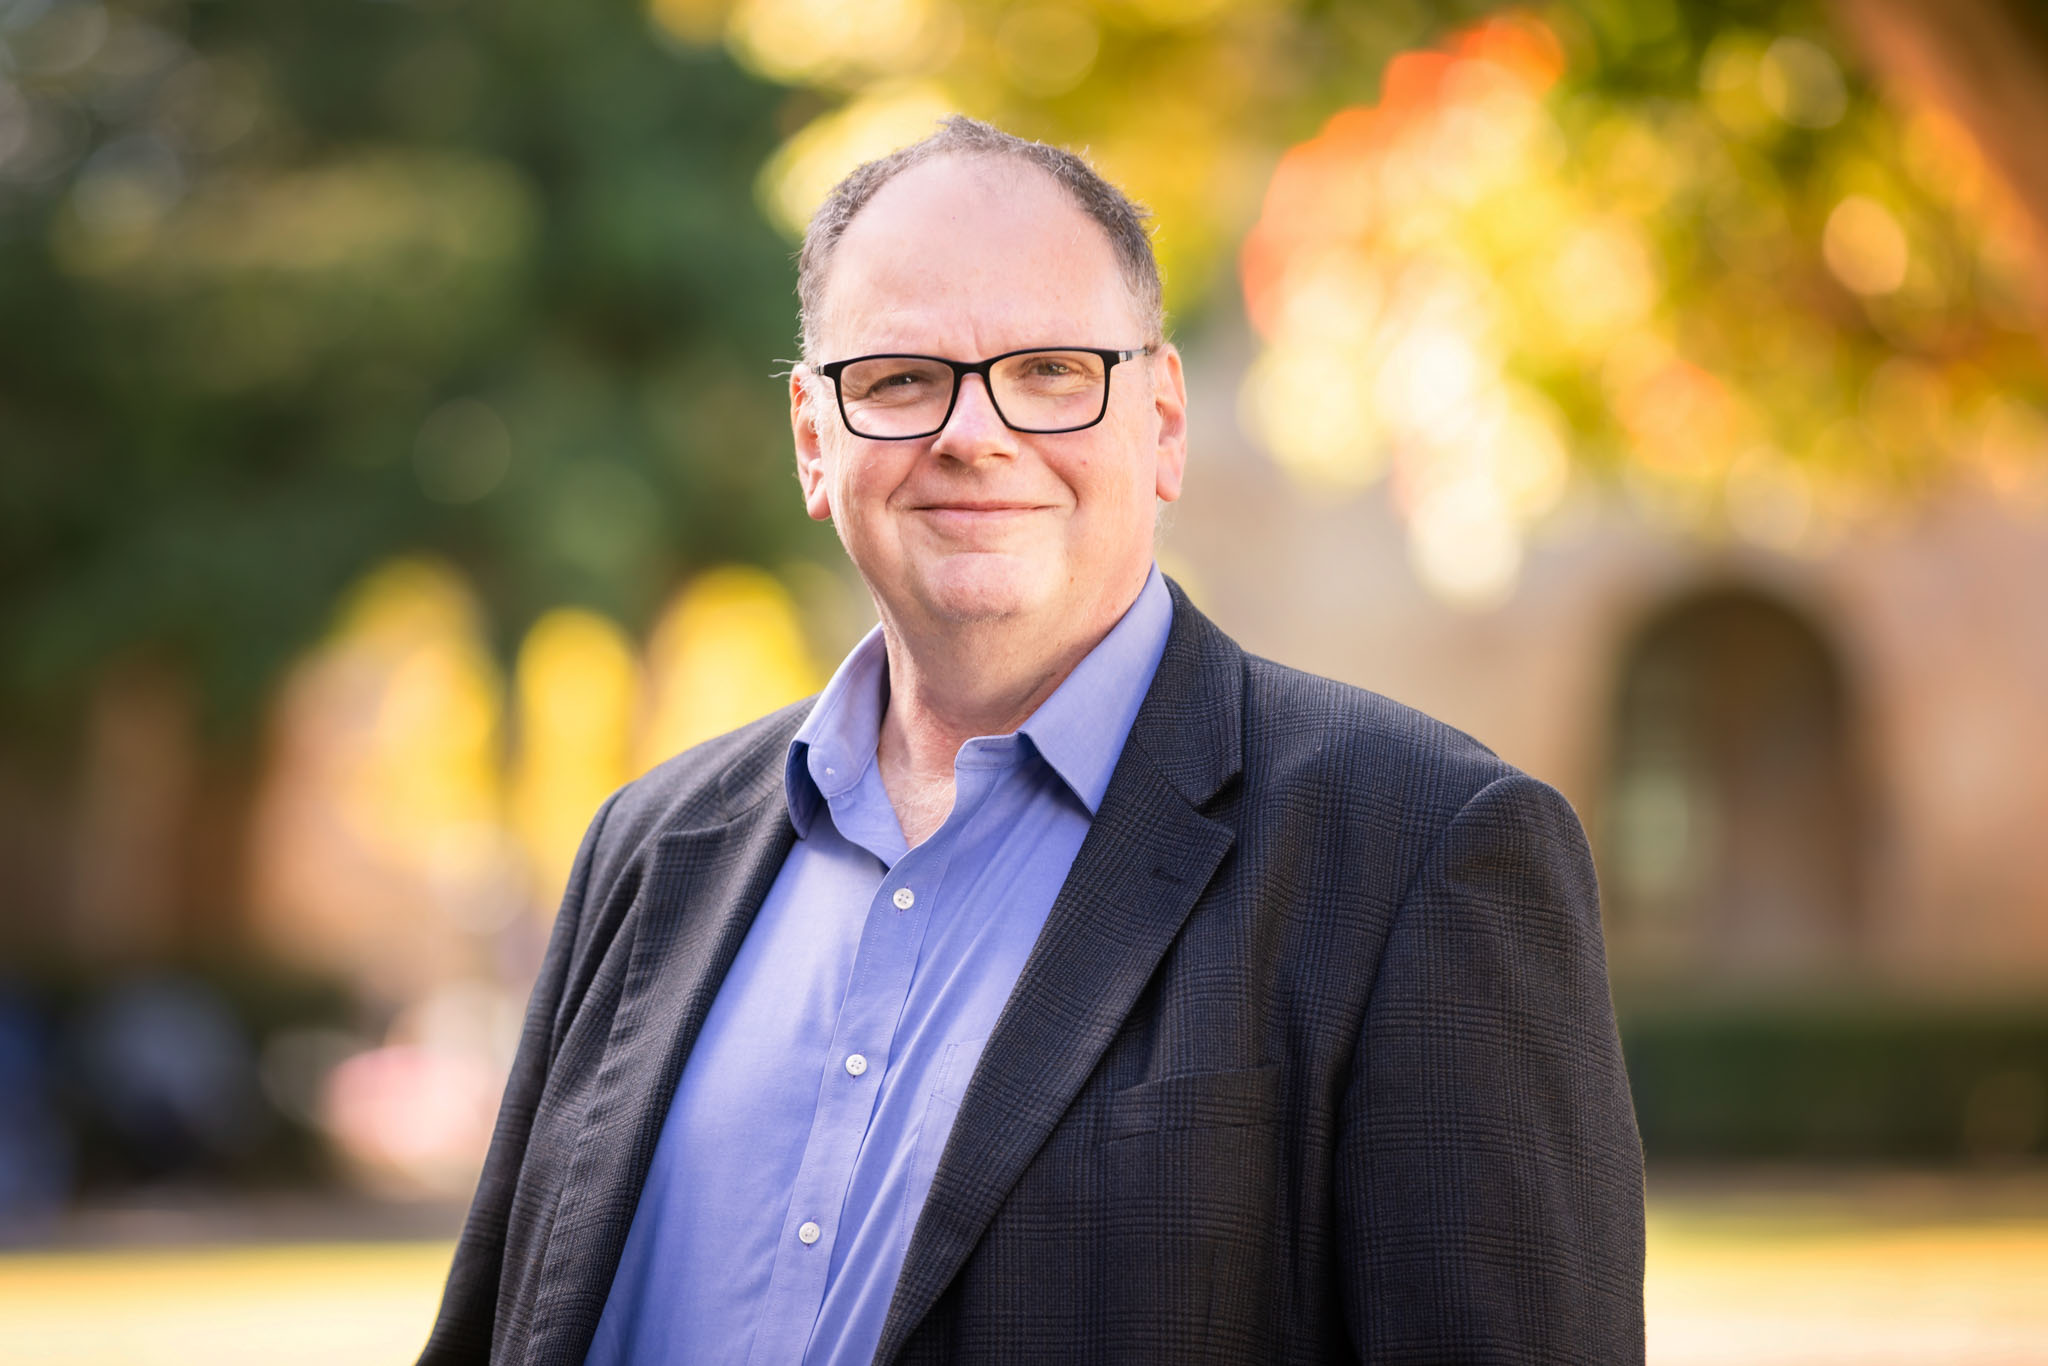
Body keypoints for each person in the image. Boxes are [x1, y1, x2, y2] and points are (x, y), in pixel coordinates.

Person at [419, 116, 1644, 1366]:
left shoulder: (1417, 851)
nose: (972, 432)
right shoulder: (649, 846)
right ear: (810, 437)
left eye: (1051, 370)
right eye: (899, 377)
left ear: (1161, 418)